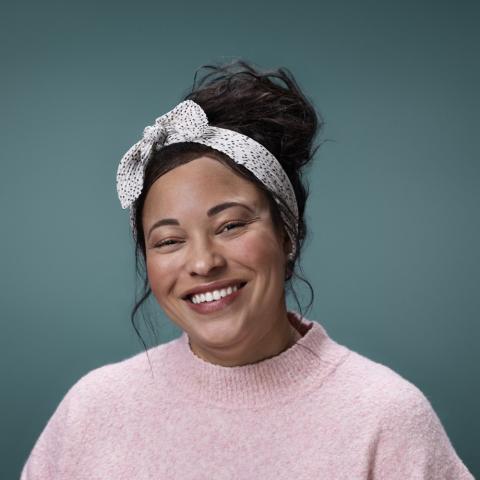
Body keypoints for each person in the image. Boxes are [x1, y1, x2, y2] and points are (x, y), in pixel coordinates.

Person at [20, 59, 474, 479]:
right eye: (169, 241)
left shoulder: (385, 418)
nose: (203, 262)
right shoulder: (93, 411)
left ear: (287, 233)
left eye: (231, 225)